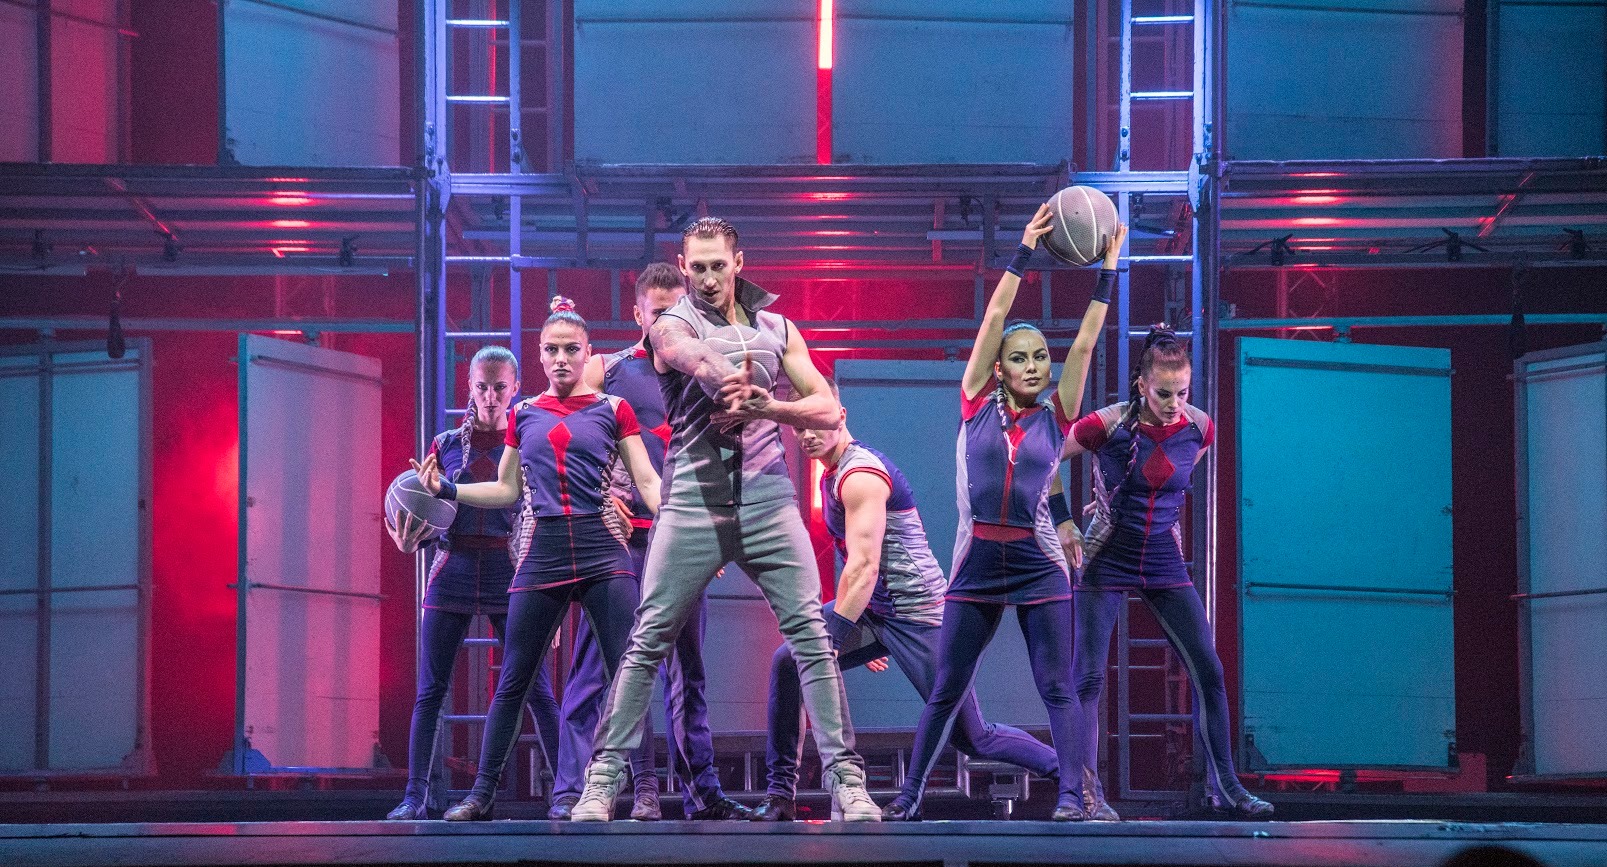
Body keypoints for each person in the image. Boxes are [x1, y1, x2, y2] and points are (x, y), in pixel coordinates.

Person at [571, 217, 879, 822]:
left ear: (739, 263)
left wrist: (770, 406)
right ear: (684, 268)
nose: (708, 278)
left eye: (718, 265)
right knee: (647, 640)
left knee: (812, 639)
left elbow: (827, 407)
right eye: (698, 267)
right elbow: (684, 353)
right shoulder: (672, 321)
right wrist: (724, 380)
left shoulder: (778, 327)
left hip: (768, 501)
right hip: (692, 502)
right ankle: (601, 783)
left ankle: (848, 782)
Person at [880, 206, 1125, 822]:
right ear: (998, 368)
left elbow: (1086, 341)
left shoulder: (1058, 415)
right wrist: (1022, 254)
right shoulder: (972, 403)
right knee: (946, 689)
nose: (1034, 365)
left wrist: (1108, 271)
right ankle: (908, 797)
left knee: (1058, 688)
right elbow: (994, 318)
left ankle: (1071, 796)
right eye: (1020, 357)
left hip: (1038, 563)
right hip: (979, 564)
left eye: (1040, 356)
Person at [753, 384, 1062, 821]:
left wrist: (838, 637)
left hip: (920, 616)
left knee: (972, 736)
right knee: (788, 661)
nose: (806, 434)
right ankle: (781, 794)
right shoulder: (831, 472)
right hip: (878, 612)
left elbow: (864, 567)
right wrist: (863, 626)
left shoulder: (860, 475)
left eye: (814, 422)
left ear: (840, 414)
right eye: (798, 426)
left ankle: (1070, 775)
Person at [412, 297, 662, 821]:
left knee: (628, 673)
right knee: (514, 680)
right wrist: (448, 490)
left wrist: (693, 531)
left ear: (588, 353)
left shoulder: (614, 409)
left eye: (571, 349)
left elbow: (646, 482)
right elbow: (506, 490)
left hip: (600, 547)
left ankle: (645, 791)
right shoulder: (524, 414)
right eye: (552, 350)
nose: (562, 359)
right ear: (540, 355)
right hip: (544, 550)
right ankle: (481, 794)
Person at [548, 263, 749, 821]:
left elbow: (728, 456)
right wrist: (596, 496)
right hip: (621, 546)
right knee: (596, 670)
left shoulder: (703, 372)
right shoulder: (610, 370)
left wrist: (720, 533)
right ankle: (571, 791)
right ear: (638, 314)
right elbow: (560, 435)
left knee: (688, 674)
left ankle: (701, 793)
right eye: (657, 312)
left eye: (676, 310)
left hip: (684, 543)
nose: (667, 321)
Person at [1062, 326, 1274, 819]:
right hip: (1107, 554)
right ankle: (1087, 796)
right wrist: (1063, 518)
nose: (1175, 403)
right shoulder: (1106, 424)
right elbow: (1045, 455)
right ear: (1141, 385)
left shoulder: (1200, 427)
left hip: (1161, 556)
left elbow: (1171, 482)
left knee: (1209, 669)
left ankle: (1230, 789)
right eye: (1163, 393)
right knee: (1087, 679)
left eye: (1182, 392)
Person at [383, 345, 561, 820]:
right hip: (454, 568)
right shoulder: (444, 445)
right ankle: (414, 798)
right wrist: (408, 538)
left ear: (515, 388)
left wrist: (550, 587)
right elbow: (422, 512)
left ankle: (569, 792)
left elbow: (540, 514)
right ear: (469, 387)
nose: (490, 397)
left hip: (510, 570)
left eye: (500, 387)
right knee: (431, 691)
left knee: (537, 689)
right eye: (482, 387)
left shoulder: (527, 440)